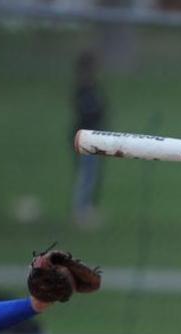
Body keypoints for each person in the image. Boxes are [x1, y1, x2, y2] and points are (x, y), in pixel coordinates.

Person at [71, 50, 107, 228]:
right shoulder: (83, 91)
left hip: (98, 138)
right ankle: (81, 210)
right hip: (87, 140)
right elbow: (88, 114)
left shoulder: (93, 88)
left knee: (93, 175)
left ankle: (88, 208)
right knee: (86, 176)